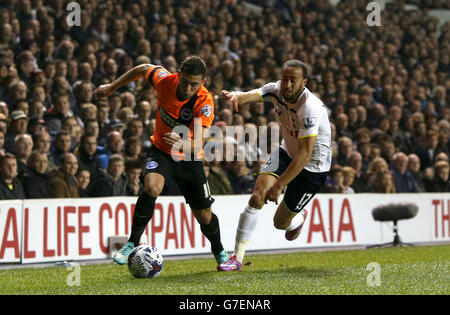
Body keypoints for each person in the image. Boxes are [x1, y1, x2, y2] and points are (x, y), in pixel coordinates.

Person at [93, 56, 228, 268]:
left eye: (195, 84)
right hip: (162, 151)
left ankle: (220, 251)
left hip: (189, 159)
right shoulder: (165, 81)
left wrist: (183, 144)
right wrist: (111, 87)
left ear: (203, 81)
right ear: (178, 75)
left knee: (204, 215)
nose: (188, 88)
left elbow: (199, 143)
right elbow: (143, 68)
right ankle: (132, 242)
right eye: (185, 81)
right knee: (151, 186)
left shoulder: (205, 102)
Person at [218, 59, 332, 271]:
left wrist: (279, 186)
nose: (287, 85)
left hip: (312, 167)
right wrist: (238, 97)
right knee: (257, 197)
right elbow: (255, 94)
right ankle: (236, 259)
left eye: (293, 80)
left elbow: (305, 156)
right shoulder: (276, 90)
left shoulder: (311, 108)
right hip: (286, 152)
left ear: (304, 82)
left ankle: (298, 219)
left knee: (280, 223)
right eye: (285, 79)